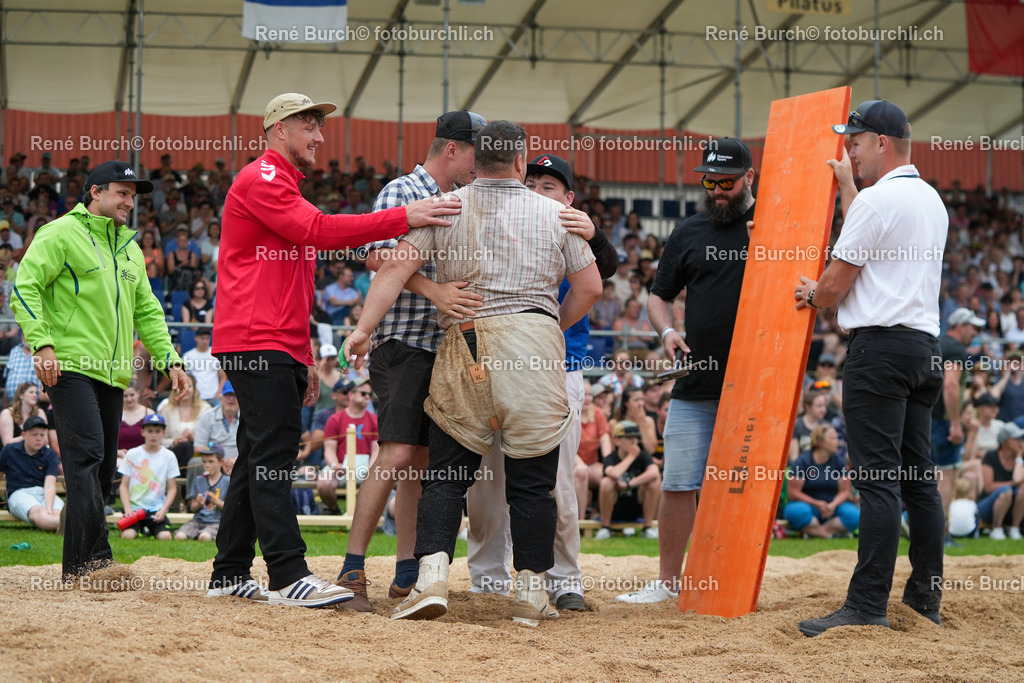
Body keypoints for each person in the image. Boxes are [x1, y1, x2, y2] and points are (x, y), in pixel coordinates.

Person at [342, 120, 601, 625]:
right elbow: (590, 287)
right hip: (533, 347)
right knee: (533, 483)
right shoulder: (557, 213)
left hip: (466, 342)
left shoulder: (445, 207)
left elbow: (393, 267)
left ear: (476, 162)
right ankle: (530, 593)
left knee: (446, 475)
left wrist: (363, 329)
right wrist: (550, 326)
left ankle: (431, 578)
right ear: (521, 163)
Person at [207, 92, 459, 607]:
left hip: (271, 340)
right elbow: (320, 231)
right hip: (258, 339)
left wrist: (303, 355)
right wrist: (404, 215)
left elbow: (294, 284)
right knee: (273, 454)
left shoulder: (280, 184)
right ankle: (287, 573)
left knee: (257, 454)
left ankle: (230, 572)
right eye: (309, 126)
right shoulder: (265, 177)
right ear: (279, 129)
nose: (319, 137)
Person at [795, 100, 947, 636]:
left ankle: (865, 605)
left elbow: (835, 285)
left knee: (878, 482)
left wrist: (814, 294)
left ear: (881, 142)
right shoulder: (929, 199)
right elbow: (875, 235)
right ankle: (925, 600)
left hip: (878, 352)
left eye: (855, 142)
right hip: (922, 348)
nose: (850, 151)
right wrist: (846, 188)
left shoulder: (879, 202)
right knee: (919, 481)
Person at [333, 110, 488, 612]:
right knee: (398, 453)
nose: (480, 162)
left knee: (419, 461)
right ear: (452, 149)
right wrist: (434, 290)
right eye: (475, 152)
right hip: (401, 339)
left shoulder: (461, 198)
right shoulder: (403, 190)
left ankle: (405, 572)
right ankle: (352, 568)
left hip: (439, 345)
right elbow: (376, 256)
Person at [11, 160, 189, 581]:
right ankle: (98, 561)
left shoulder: (130, 248)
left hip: (113, 374)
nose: (130, 202)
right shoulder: (59, 233)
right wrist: (43, 344)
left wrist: (170, 360)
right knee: (88, 456)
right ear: (96, 192)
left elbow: (147, 311)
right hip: (69, 366)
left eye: (133, 196)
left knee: (103, 470)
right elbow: (25, 287)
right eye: (122, 193)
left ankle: (76, 570)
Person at [466, 152, 618, 611]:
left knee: (556, 481)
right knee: (487, 481)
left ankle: (564, 580)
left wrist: (546, 332)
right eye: (530, 182)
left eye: (548, 186)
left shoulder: (571, 229)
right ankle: (488, 580)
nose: (536, 191)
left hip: (557, 367)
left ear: (568, 199)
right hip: (493, 364)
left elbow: (605, 271)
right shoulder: (498, 225)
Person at [614, 138, 755, 604]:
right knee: (677, 483)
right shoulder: (689, 231)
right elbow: (659, 296)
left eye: (726, 183)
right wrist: (667, 331)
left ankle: (731, 580)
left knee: (740, 488)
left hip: (755, 387)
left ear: (749, 178)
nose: (716, 191)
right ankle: (668, 582)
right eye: (709, 182)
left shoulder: (773, 228)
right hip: (695, 383)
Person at [933, 308, 984, 524]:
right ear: (961, 326)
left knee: (932, 476)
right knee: (948, 475)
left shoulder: (937, 344)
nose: (976, 333)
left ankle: (918, 525)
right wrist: (955, 423)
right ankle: (940, 533)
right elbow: (951, 385)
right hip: (943, 422)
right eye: (973, 328)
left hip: (926, 418)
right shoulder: (956, 349)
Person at [783, 425, 860, 538]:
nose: (837, 442)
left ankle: (815, 532)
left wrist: (833, 505)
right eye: (833, 438)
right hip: (808, 506)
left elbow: (844, 491)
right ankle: (828, 533)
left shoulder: (838, 461)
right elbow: (793, 493)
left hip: (832, 507)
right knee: (797, 512)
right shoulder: (802, 461)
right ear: (820, 441)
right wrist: (816, 503)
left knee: (854, 515)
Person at [317, 379, 379, 514]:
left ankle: (369, 515)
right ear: (351, 394)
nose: (368, 397)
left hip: (366, 468)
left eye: (370, 394)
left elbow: (376, 451)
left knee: (381, 481)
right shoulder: (335, 419)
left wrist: (371, 469)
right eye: (363, 393)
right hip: (341, 467)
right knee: (323, 484)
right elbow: (329, 450)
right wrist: (335, 465)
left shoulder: (374, 420)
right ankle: (334, 510)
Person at [117, 414, 180, 541]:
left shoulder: (169, 456)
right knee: (128, 535)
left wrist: (163, 510)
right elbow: (123, 486)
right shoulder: (132, 454)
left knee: (165, 537)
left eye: (157, 431)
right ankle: (141, 529)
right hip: (135, 509)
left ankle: (148, 530)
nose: (153, 435)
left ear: (163, 433)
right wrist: (127, 509)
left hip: (156, 509)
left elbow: (172, 488)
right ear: (143, 432)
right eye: (150, 431)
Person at [595, 421, 662, 539]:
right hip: (615, 506)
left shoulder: (643, 456)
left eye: (635, 438)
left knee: (655, 482)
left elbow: (654, 472)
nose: (633, 442)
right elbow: (613, 473)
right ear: (617, 441)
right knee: (607, 482)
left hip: (637, 504)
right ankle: (605, 528)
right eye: (628, 438)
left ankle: (647, 528)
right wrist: (631, 456)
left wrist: (628, 484)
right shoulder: (611, 458)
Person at [0, 416, 63, 531]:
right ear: (24, 435)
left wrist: (49, 509)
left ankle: (62, 525)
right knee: (37, 511)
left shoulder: (50, 455)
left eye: (42, 435)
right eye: (34, 435)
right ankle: (69, 526)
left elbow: (49, 485)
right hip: (18, 493)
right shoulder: (9, 450)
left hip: (43, 492)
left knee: (57, 512)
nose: (39, 439)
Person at [189, 380, 240, 494]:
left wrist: (235, 460)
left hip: (239, 459)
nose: (231, 399)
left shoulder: (248, 418)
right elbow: (198, 449)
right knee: (194, 462)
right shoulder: (207, 417)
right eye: (227, 395)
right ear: (220, 399)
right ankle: (192, 499)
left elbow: (253, 447)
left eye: (235, 395)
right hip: (214, 458)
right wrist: (220, 461)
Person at [978, 422, 1024, 540]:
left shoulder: (1020, 459)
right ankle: (996, 529)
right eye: (1015, 439)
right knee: (1006, 491)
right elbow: (989, 487)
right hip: (988, 506)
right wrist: (1013, 484)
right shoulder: (990, 456)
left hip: (1012, 508)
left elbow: (1018, 478)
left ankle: (1015, 528)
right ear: (1004, 442)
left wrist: (1019, 457)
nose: (1020, 442)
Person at [175, 443, 230, 542]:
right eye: (204, 462)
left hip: (217, 521)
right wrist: (198, 503)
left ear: (221, 462)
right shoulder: (198, 480)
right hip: (198, 520)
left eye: (211, 461)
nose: (207, 465)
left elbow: (231, 508)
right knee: (180, 536)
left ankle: (203, 534)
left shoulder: (227, 481)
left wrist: (216, 501)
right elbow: (192, 508)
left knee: (204, 537)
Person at [575, 382, 613, 520]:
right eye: (584, 394)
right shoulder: (570, 412)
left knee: (607, 476)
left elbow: (605, 439)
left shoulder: (598, 413)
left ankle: (604, 517)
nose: (587, 398)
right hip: (572, 462)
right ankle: (580, 521)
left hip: (592, 463)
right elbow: (567, 445)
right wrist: (579, 463)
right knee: (581, 474)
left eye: (590, 394)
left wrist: (609, 463)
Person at [0, 381, 48, 446]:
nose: (35, 395)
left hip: (35, 451)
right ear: (21, 395)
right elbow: (6, 443)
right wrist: (28, 435)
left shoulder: (39, 412)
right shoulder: (7, 413)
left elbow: (45, 441)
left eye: (36, 393)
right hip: (14, 451)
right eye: (31, 392)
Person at [182, 329, 222, 402]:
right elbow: (185, 377)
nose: (205, 341)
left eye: (207, 338)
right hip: (195, 396)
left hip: (214, 396)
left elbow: (223, 375)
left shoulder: (216, 354)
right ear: (196, 338)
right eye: (202, 338)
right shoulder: (187, 356)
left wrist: (219, 392)